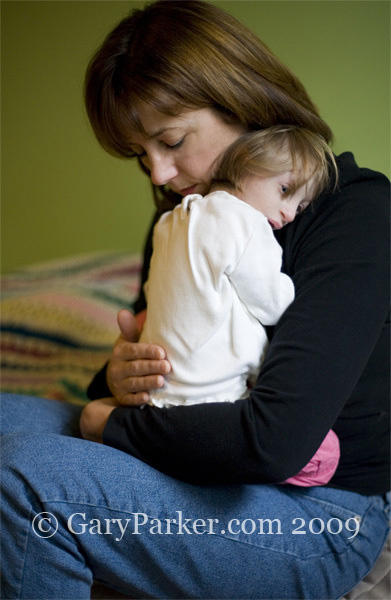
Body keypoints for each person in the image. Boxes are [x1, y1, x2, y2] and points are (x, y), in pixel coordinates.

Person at [1, 1, 389, 599]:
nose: (157, 173)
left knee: (25, 477)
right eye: (140, 154)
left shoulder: (356, 213)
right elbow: (123, 388)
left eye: (172, 140)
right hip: (187, 459)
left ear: (243, 100)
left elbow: (275, 440)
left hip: (319, 510)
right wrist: (119, 376)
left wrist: (113, 426)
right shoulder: (185, 221)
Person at [139, 125, 341, 487]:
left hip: (159, 399)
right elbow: (273, 305)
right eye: (285, 190)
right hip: (218, 401)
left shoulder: (168, 224)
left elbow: (154, 291)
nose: (290, 213)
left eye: (301, 205)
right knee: (325, 454)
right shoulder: (246, 223)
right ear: (247, 164)